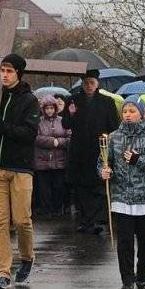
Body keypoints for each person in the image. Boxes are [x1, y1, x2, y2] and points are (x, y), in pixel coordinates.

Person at [0, 53, 40, 289]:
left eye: (9, 71)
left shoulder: (29, 100)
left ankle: (27, 257)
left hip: (20, 169)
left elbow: (29, 134)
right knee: (0, 221)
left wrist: (2, 125)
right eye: (2, 70)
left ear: (18, 74)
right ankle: (3, 272)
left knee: (22, 220)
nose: (4, 75)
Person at [100, 95, 145, 289]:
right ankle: (127, 280)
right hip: (121, 198)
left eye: (132, 111)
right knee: (125, 242)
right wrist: (104, 171)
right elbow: (103, 161)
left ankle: (142, 274)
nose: (128, 115)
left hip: (144, 198)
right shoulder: (114, 137)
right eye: (125, 111)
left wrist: (138, 159)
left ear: (141, 113)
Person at [63, 69, 120, 234]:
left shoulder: (107, 101)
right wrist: (71, 114)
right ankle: (85, 220)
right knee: (81, 187)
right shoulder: (73, 100)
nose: (89, 85)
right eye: (86, 82)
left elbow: (113, 125)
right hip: (79, 151)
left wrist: (111, 145)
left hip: (99, 149)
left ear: (97, 84)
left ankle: (97, 220)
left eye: (92, 83)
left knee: (98, 186)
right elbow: (66, 124)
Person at [34, 95, 71, 218]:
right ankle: (47, 211)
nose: (49, 111)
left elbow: (70, 137)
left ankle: (57, 209)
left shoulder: (62, 121)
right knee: (44, 189)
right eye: (47, 108)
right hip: (42, 161)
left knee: (59, 187)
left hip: (59, 160)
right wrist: (51, 141)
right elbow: (35, 137)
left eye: (51, 108)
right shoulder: (38, 122)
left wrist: (59, 142)